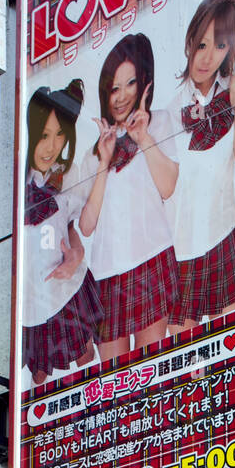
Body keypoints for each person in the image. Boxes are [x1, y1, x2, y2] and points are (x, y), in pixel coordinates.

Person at [78, 33, 179, 361]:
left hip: (151, 259)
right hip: (107, 274)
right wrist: (104, 164)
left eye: (130, 83)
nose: (121, 97)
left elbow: (167, 186)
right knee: (113, 385)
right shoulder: (95, 153)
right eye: (114, 88)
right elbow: (87, 225)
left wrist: (144, 138)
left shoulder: (160, 122)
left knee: (150, 372)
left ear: (144, 83)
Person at [167, 0, 235, 333]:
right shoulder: (169, 105)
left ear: (231, 50)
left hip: (223, 234)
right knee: (182, 362)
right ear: (189, 42)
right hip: (181, 247)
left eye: (219, 46)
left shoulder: (232, 94)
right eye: (201, 44)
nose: (207, 57)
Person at [22, 80, 103, 383]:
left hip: (64, 292)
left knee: (86, 361)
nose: (52, 146)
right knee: (37, 379)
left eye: (59, 135)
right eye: (44, 135)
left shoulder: (62, 181)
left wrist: (75, 257)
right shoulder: (13, 188)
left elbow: (72, 234)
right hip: (30, 304)